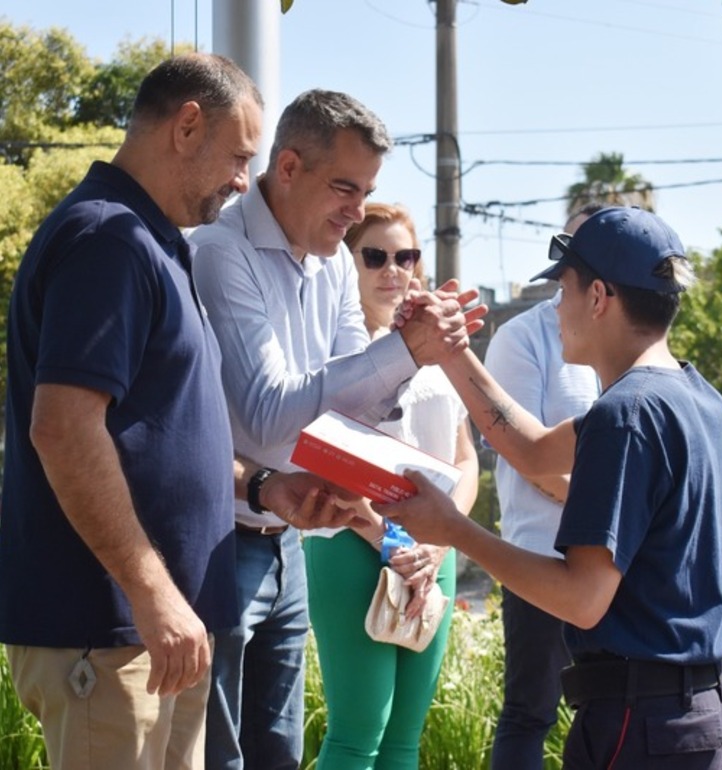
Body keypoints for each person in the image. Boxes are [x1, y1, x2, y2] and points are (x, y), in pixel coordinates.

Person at [0, 53, 359, 770]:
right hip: (110, 629)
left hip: (153, 630)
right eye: (238, 157)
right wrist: (152, 594)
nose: (241, 180)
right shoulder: (109, 240)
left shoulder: (153, 242)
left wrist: (262, 487)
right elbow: (64, 428)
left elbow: (156, 437)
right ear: (187, 125)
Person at [380, 207, 722, 769]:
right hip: (702, 716)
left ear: (598, 297)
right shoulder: (695, 396)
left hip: (643, 727)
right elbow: (528, 448)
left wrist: (453, 529)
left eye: (564, 290)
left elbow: (581, 599)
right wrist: (451, 350)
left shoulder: (627, 414)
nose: (557, 310)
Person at [190, 89, 482, 770]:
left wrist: (426, 347)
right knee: (224, 757)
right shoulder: (218, 251)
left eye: (368, 192)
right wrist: (408, 349)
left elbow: (353, 413)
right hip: (219, 538)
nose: (355, 212)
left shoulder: (327, 264)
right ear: (287, 167)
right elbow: (268, 411)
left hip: (288, 536)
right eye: (345, 189)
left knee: (282, 755)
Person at [303, 202, 479, 769]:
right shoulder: (338, 349)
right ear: (347, 262)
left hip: (435, 553)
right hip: (353, 547)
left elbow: (465, 458)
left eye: (406, 256)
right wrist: (397, 542)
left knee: (405, 737)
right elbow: (329, 466)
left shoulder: (444, 350)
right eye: (374, 255)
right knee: (358, 734)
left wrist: (441, 542)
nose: (392, 269)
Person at [486, 204, 602, 770]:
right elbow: (525, 455)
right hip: (540, 558)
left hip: (613, 561)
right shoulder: (521, 337)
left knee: (607, 711)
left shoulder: (623, 343)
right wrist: (606, 511)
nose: (564, 265)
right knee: (532, 711)